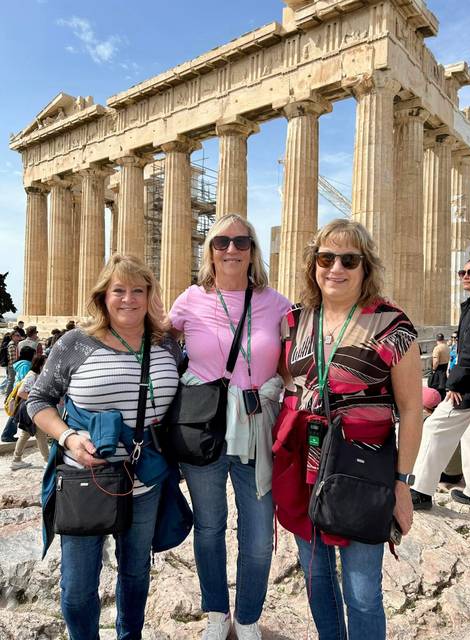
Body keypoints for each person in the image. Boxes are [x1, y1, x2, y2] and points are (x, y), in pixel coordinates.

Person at [274, 219, 422, 640]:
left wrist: (402, 484)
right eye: (325, 258)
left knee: (361, 591)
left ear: (365, 267)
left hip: (362, 470)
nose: (335, 268)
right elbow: (289, 381)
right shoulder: (296, 320)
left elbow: (412, 410)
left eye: (349, 260)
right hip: (306, 465)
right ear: (313, 265)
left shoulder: (391, 324)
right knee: (317, 580)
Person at [27, 254, 184, 640]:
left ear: (150, 296)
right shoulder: (75, 343)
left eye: (138, 290)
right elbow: (38, 399)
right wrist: (67, 436)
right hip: (85, 480)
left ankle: (129, 636)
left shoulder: (168, 346)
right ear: (103, 296)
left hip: (144, 482)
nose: (128, 299)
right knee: (78, 588)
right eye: (118, 290)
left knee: (135, 574)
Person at [169, 213, 291, 640]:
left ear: (253, 250)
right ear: (210, 250)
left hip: (257, 427)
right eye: (222, 242)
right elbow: (158, 345)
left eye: (241, 242)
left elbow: (294, 362)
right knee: (210, 528)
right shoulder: (189, 299)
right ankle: (217, 613)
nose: (232, 250)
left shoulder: (276, 303)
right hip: (204, 427)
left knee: (258, 537)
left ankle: (248, 617)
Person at [411, 258, 470, 510]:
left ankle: (420, 489)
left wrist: (455, 384)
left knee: (435, 429)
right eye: (462, 271)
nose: (464, 275)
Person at [11, 354, 49, 470]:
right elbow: (21, 393)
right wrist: (35, 399)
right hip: (29, 409)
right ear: (40, 364)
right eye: (46, 363)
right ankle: (48, 461)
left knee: (25, 434)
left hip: (31, 408)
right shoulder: (31, 375)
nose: (48, 365)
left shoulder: (37, 375)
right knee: (40, 434)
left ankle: (16, 460)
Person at [1, 345, 36, 442]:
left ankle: (8, 434)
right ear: (30, 355)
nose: (35, 356)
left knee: (15, 413)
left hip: (17, 390)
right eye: (34, 354)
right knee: (15, 413)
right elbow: (25, 379)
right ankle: (7, 434)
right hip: (21, 391)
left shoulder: (20, 363)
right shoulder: (26, 365)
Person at [428, 333, 449, 399]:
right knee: (443, 387)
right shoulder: (447, 347)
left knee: (436, 386)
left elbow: (436, 361)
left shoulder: (437, 348)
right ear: (443, 339)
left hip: (439, 369)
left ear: (436, 340)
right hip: (446, 367)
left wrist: (434, 369)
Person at [4, 329, 21, 398]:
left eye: (19, 335)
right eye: (17, 335)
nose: (19, 337)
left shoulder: (16, 344)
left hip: (14, 366)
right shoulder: (12, 345)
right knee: (11, 382)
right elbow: (13, 359)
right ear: (13, 337)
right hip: (12, 366)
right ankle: (7, 397)